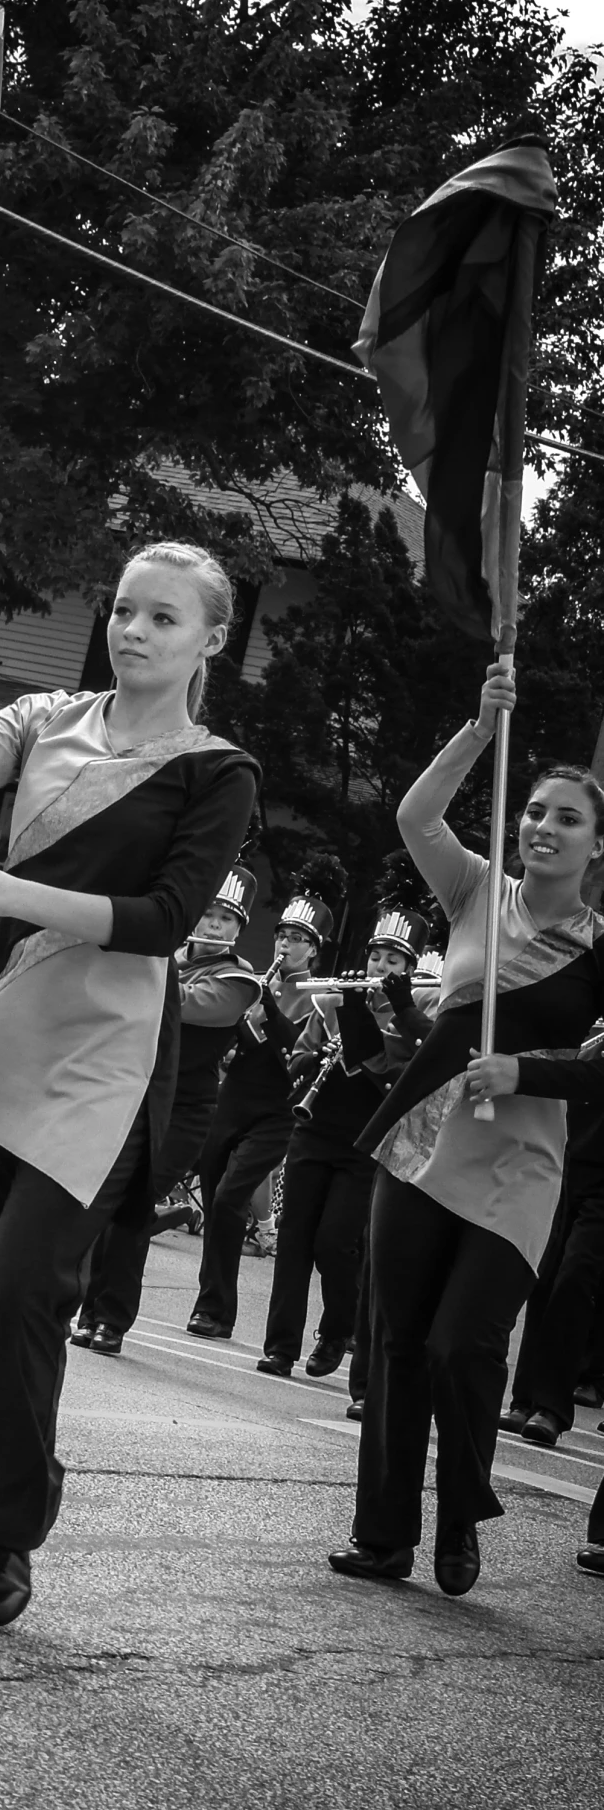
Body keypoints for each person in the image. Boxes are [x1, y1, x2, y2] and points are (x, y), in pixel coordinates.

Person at [0, 543, 258, 1629]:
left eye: (163, 619)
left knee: (17, 1292)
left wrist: (7, 889)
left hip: (103, 1063)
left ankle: (9, 1529)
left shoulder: (217, 770)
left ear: (209, 641)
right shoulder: (41, 719)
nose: (132, 630)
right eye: (125, 610)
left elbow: (166, 921)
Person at [329, 663, 604, 1599]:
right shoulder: (476, 887)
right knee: (399, 1340)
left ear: (595, 845)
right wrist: (480, 729)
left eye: (567, 817)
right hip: (418, 1148)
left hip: (520, 1170)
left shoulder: (601, 947)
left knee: (463, 1345)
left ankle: (459, 1517)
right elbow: (416, 816)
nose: (543, 826)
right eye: (534, 810)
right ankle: (385, 1536)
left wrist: (524, 1069)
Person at [72, 865, 263, 1353]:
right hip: (136, 1095)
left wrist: (151, 956)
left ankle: (112, 1319)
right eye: (210, 914)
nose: (215, 925)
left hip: (184, 1110)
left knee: (134, 1206)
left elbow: (181, 1003)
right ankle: (90, 1308)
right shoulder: (169, 956)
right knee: (104, 1204)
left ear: (239, 930)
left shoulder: (239, 980)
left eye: (226, 918)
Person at [259, 909, 433, 1379]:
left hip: (364, 1142)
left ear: (410, 970)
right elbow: (296, 1056)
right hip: (315, 1129)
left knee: (336, 1243)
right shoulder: (330, 1003)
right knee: (294, 1238)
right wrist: (311, 1056)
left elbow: (391, 1072)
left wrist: (365, 1026)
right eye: (375, 957)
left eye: (393, 960)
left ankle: (337, 1330)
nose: (380, 967)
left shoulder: (410, 1014)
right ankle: (280, 1345)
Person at [185, 890, 329, 1333]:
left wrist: (267, 1003)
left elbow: (294, 1051)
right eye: (282, 934)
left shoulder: (318, 995)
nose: (285, 944)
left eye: (297, 938)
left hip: (278, 1108)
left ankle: (214, 1308)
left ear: (314, 948)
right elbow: (240, 1040)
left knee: (232, 1196)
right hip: (234, 1097)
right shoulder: (254, 980)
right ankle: (214, 1305)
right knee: (214, 1200)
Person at [498, 1043, 604, 1446]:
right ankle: (524, 1400)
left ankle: (552, 1409)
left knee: (575, 1280)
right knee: (542, 1280)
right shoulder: (589, 1045)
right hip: (566, 1168)